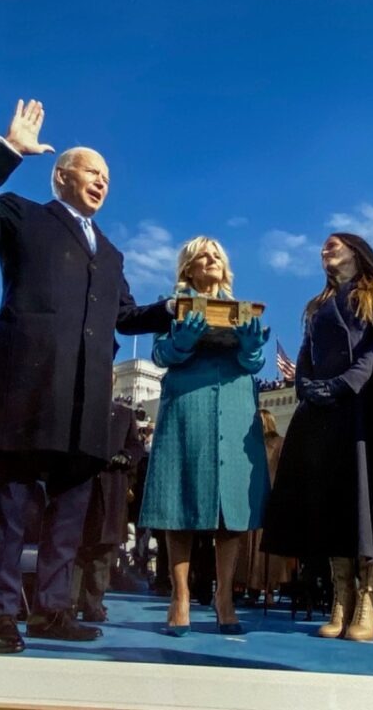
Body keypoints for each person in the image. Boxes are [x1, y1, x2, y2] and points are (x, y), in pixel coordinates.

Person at [0, 99, 174, 654]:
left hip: (86, 398)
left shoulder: (110, 253)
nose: (103, 181)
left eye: (108, 176)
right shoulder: (23, 216)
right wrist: (7, 150)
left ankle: (51, 610)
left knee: (70, 514)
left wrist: (172, 308)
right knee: (12, 505)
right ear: (62, 175)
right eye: (93, 171)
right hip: (30, 385)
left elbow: (124, 315)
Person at [263, 233, 373, 642]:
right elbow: (306, 351)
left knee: (367, 502)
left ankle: (367, 598)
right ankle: (341, 595)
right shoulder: (319, 303)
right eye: (323, 246)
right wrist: (306, 386)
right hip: (321, 413)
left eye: (334, 243)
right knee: (332, 504)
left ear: (356, 250)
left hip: (364, 406)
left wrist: (345, 384)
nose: (325, 249)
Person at [138, 236, 271, 636]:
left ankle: (224, 597)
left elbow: (254, 362)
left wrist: (251, 347)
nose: (211, 260)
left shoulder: (243, 310)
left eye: (217, 256)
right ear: (188, 268)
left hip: (235, 407)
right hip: (187, 406)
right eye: (203, 256)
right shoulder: (171, 307)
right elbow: (160, 355)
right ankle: (179, 597)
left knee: (231, 512)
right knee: (178, 502)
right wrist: (180, 341)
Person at [74, 400, 143, 623]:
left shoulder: (124, 414)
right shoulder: (78, 404)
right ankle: (69, 603)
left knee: (103, 553)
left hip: (112, 489)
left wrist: (127, 456)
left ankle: (93, 604)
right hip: (80, 486)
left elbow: (136, 446)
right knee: (75, 549)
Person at [235, 408, 295, 605]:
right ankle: (251, 588)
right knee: (250, 545)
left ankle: (269, 589)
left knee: (267, 548)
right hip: (252, 499)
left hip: (270, 500)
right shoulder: (251, 445)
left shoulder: (279, 443)